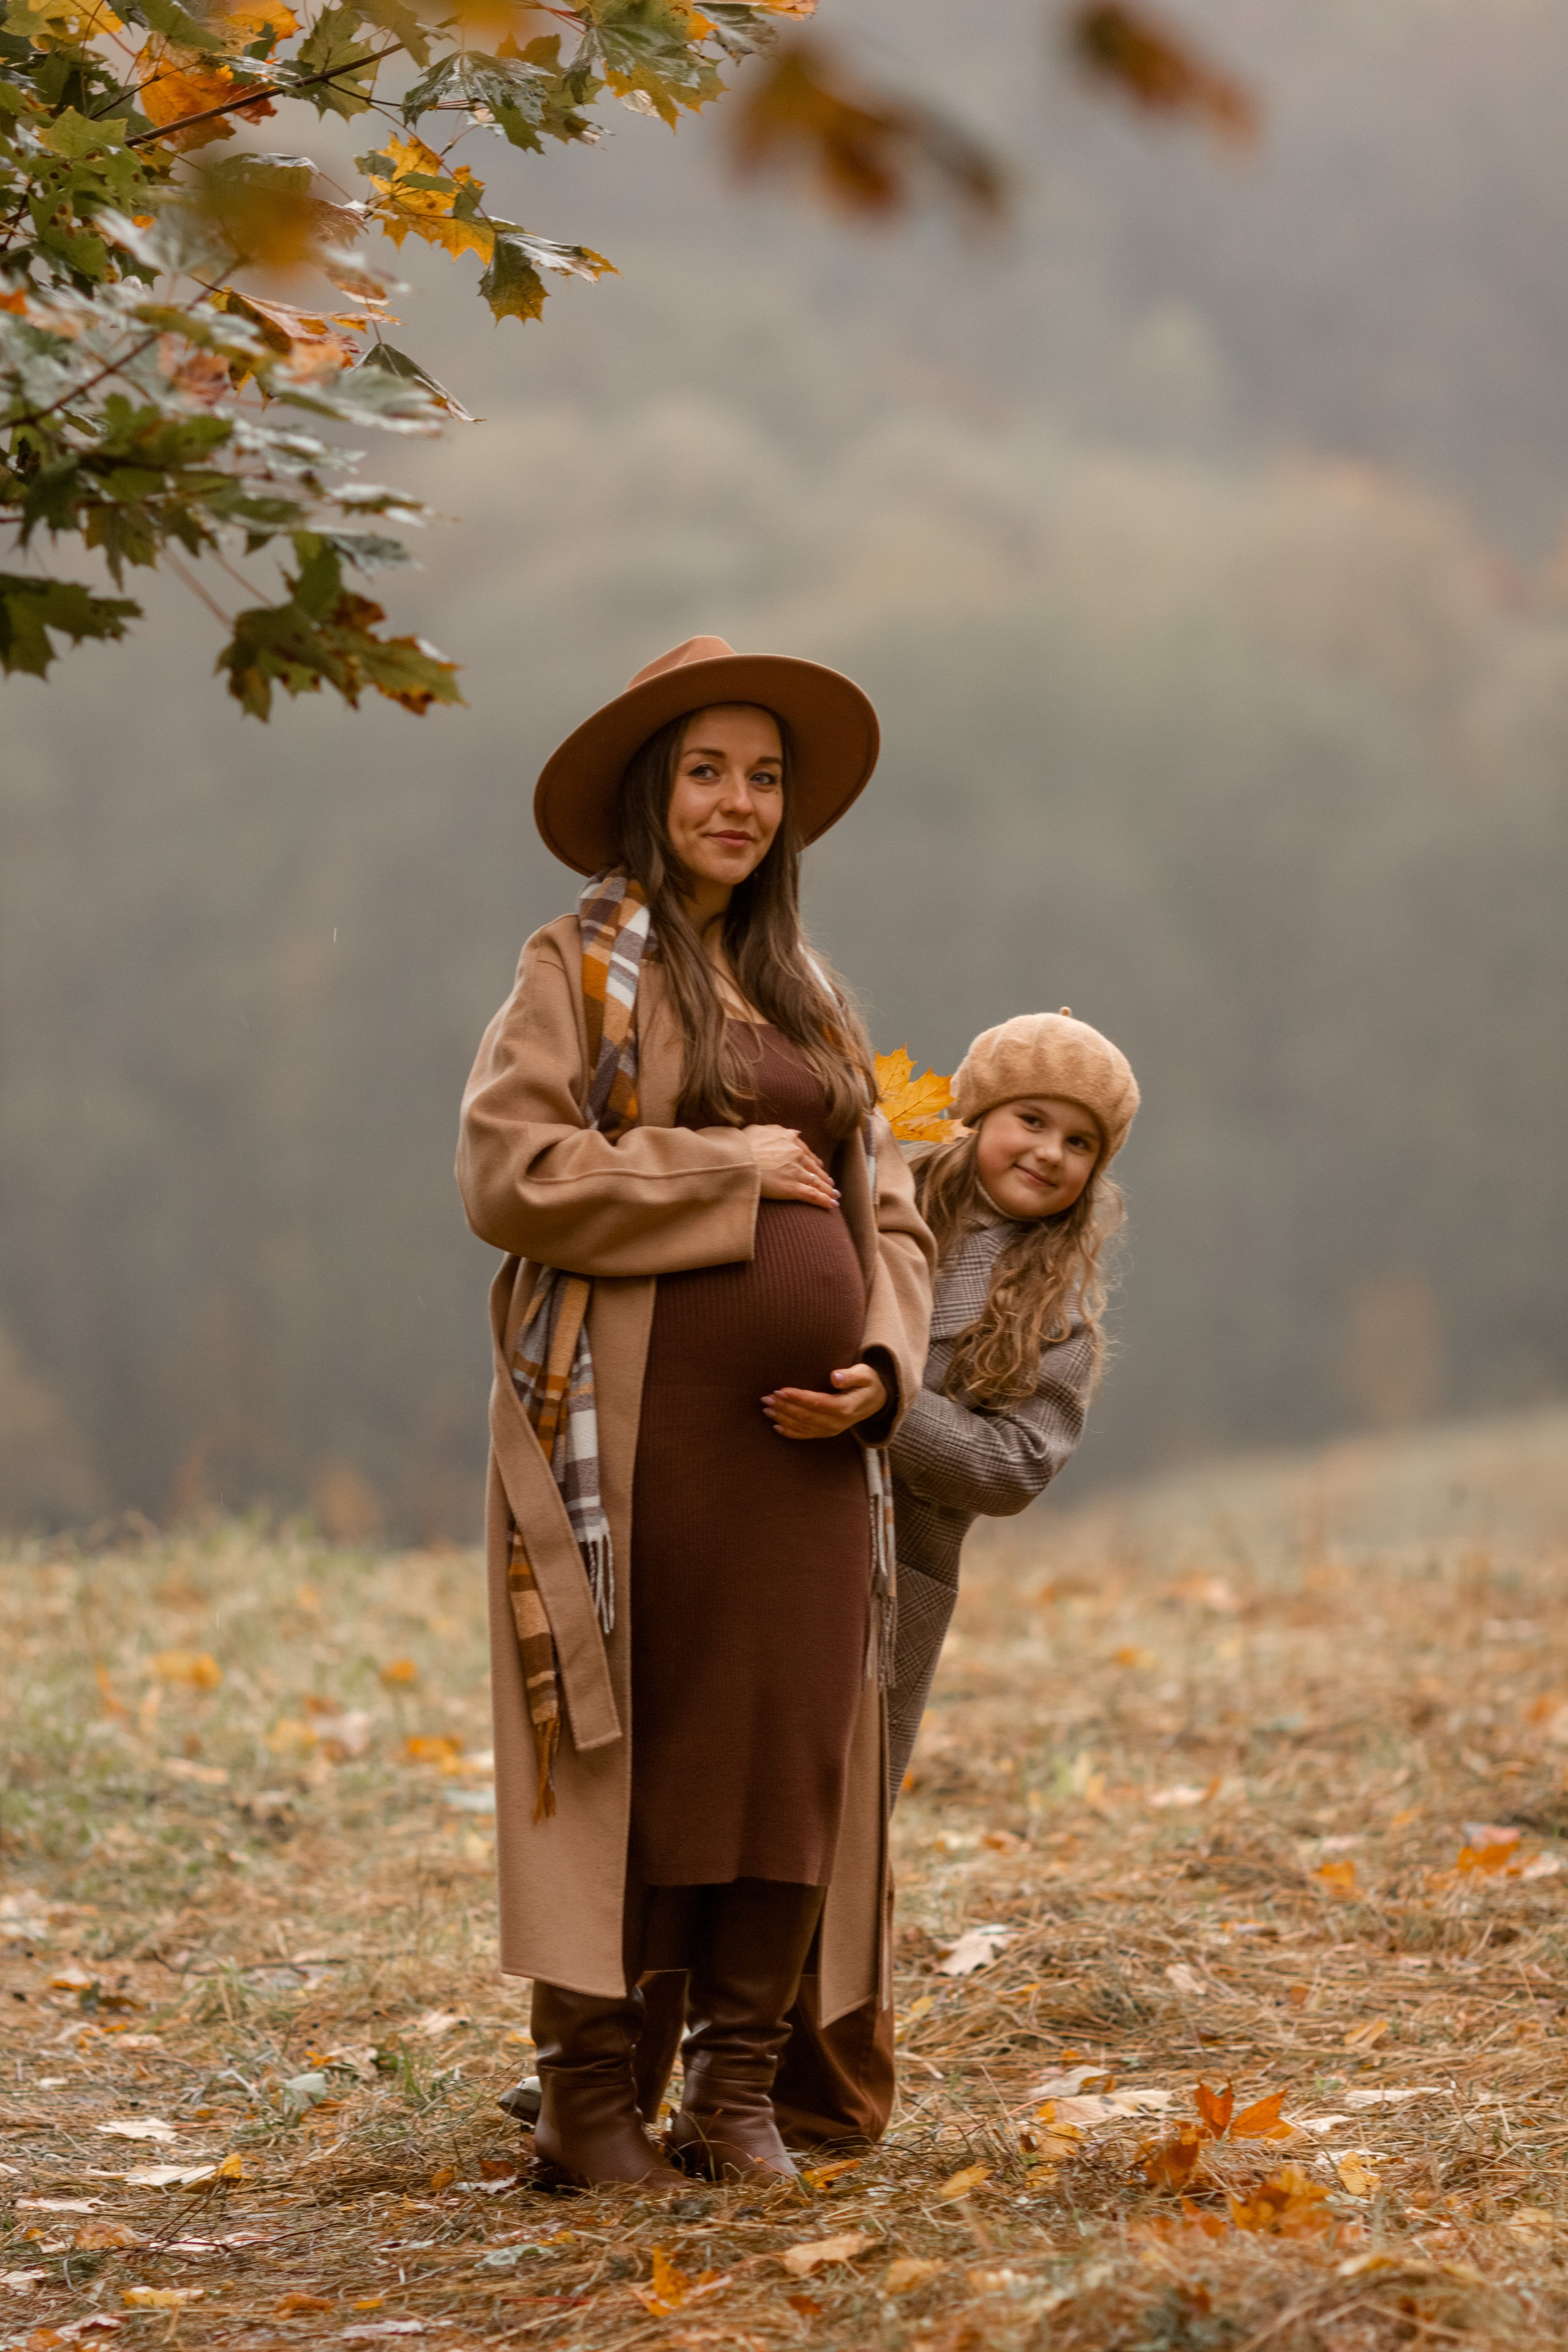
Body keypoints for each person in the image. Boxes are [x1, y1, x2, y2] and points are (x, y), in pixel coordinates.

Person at [457, 635, 934, 2192]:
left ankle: (732, 2101)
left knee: (787, 1750)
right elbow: (509, 1171)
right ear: (650, 794)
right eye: (707, 772)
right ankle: (589, 2109)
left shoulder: (810, 995)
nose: (739, 801)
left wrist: (882, 1367)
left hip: (811, 1461)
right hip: (641, 1431)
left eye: (764, 777)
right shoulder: (573, 967)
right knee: (640, 1756)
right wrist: (722, 1169)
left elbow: (889, 1207)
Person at [628, 1008, 1140, 2146]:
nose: (1048, 1153)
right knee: (701, 1790)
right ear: (975, 1115)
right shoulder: (872, 1201)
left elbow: (1015, 1467)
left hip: (891, 1584)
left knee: (829, 1829)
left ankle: (815, 2099)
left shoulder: (1056, 1315)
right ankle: (619, 2066)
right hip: (765, 1537)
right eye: (1030, 1120)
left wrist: (890, 1410)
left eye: (1079, 1144)